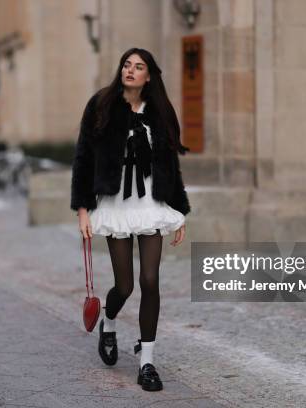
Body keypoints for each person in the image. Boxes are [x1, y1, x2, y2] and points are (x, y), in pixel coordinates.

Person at [70, 47, 190, 392]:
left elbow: (170, 164)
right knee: (125, 286)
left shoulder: (161, 111)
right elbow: (83, 158)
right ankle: (109, 323)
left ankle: (147, 361)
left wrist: (179, 212)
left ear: (149, 75)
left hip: (151, 201)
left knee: (150, 279)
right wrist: (82, 209)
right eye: (127, 65)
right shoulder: (101, 105)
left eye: (139, 67)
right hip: (116, 202)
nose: (131, 70)